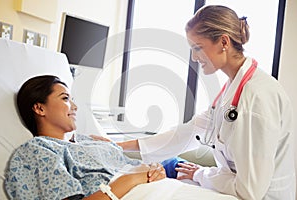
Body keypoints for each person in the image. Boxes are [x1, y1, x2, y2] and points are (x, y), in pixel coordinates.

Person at [116, 5, 296, 200]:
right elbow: (189, 132)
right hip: (233, 186)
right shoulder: (232, 89)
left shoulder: (257, 97)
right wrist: (119, 145)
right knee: (171, 166)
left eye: (197, 48)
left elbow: (249, 191)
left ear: (223, 42)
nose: (194, 57)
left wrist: (201, 174)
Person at [4, 75, 166, 200]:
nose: (75, 107)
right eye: (65, 98)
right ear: (39, 108)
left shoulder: (88, 141)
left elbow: (142, 169)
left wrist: (155, 170)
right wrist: (131, 179)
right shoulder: (37, 150)